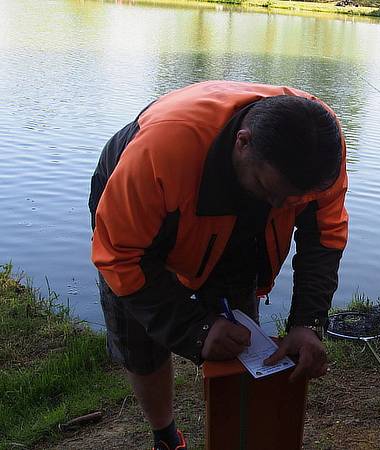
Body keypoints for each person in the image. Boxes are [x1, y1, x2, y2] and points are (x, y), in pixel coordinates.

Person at [89, 81, 348, 450]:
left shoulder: (323, 146)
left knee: (238, 340)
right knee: (142, 334)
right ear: (243, 143)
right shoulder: (158, 155)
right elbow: (120, 257)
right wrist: (194, 328)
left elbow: (324, 237)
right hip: (146, 200)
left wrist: (308, 322)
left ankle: (234, 433)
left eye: (293, 199)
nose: (280, 206)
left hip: (230, 206)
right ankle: (165, 435)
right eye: (271, 190)